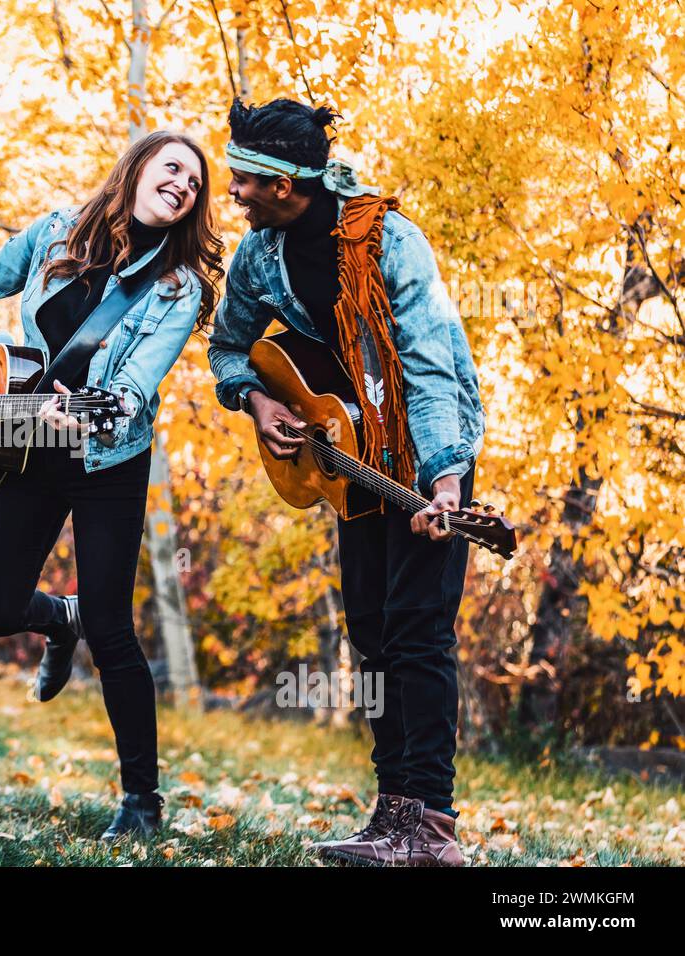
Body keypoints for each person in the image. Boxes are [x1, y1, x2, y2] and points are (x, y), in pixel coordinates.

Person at [208, 98, 486, 865]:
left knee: (417, 633)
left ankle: (432, 829)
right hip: (348, 457)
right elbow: (227, 347)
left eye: (243, 179)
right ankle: (390, 815)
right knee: (370, 634)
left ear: (286, 184)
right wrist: (259, 400)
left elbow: (430, 366)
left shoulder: (390, 241)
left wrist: (445, 482)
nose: (230, 191)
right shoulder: (259, 257)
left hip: (427, 451)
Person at [0, 130, 224, 839]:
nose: (183, 184)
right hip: (26, 446)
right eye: (173, 167)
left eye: (195, 183)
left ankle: (142, 803)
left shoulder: (178, 289)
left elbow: (130, 390)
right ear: (138, 167)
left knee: (114, 627)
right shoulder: (56, 231)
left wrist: (85, 414)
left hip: (107, 460)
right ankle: (57, 620)